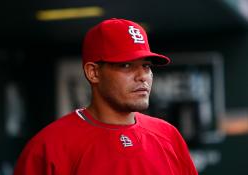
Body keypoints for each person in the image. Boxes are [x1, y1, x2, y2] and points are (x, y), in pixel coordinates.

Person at [14, 18, 198, 175]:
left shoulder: (168, 136)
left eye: (146, 66)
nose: (142, 76)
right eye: (126, 65)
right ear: (93, 72)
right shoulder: (49, 147)